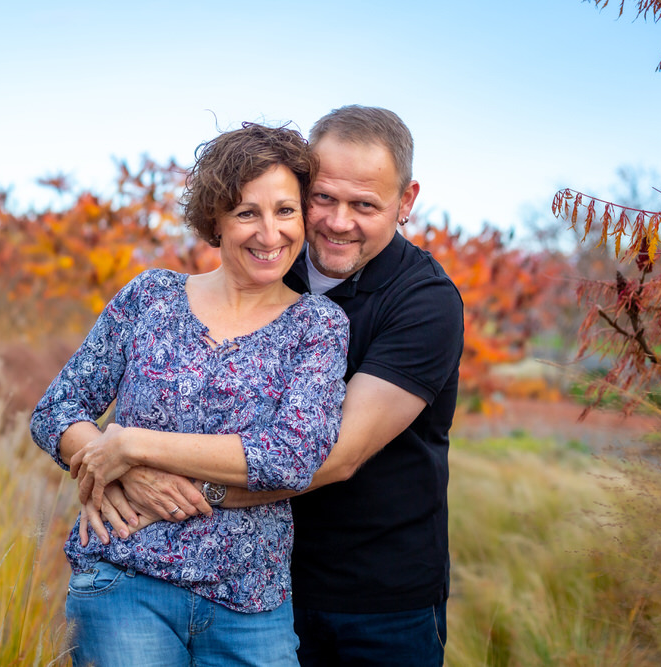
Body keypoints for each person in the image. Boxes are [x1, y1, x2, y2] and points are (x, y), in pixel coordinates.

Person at [81, 105, 464, 666]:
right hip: (260, 587)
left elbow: (332, 458)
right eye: (324, 198)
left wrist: (156, 483)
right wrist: (124, 467)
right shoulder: (267, 265)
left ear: (405, 202)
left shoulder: (424, 302)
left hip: (378, 598)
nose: (337, 221)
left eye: (365, 205)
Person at [30, 122, 349, 667]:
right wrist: (126, 467)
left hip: (251, 602)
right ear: (216, 220)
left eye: (285, 211)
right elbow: (56, 411)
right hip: (125, 582)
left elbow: (290, 458)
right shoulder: (151, 296)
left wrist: (134, 446)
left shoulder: (317, 326)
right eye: (248, 212)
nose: (269, 234)